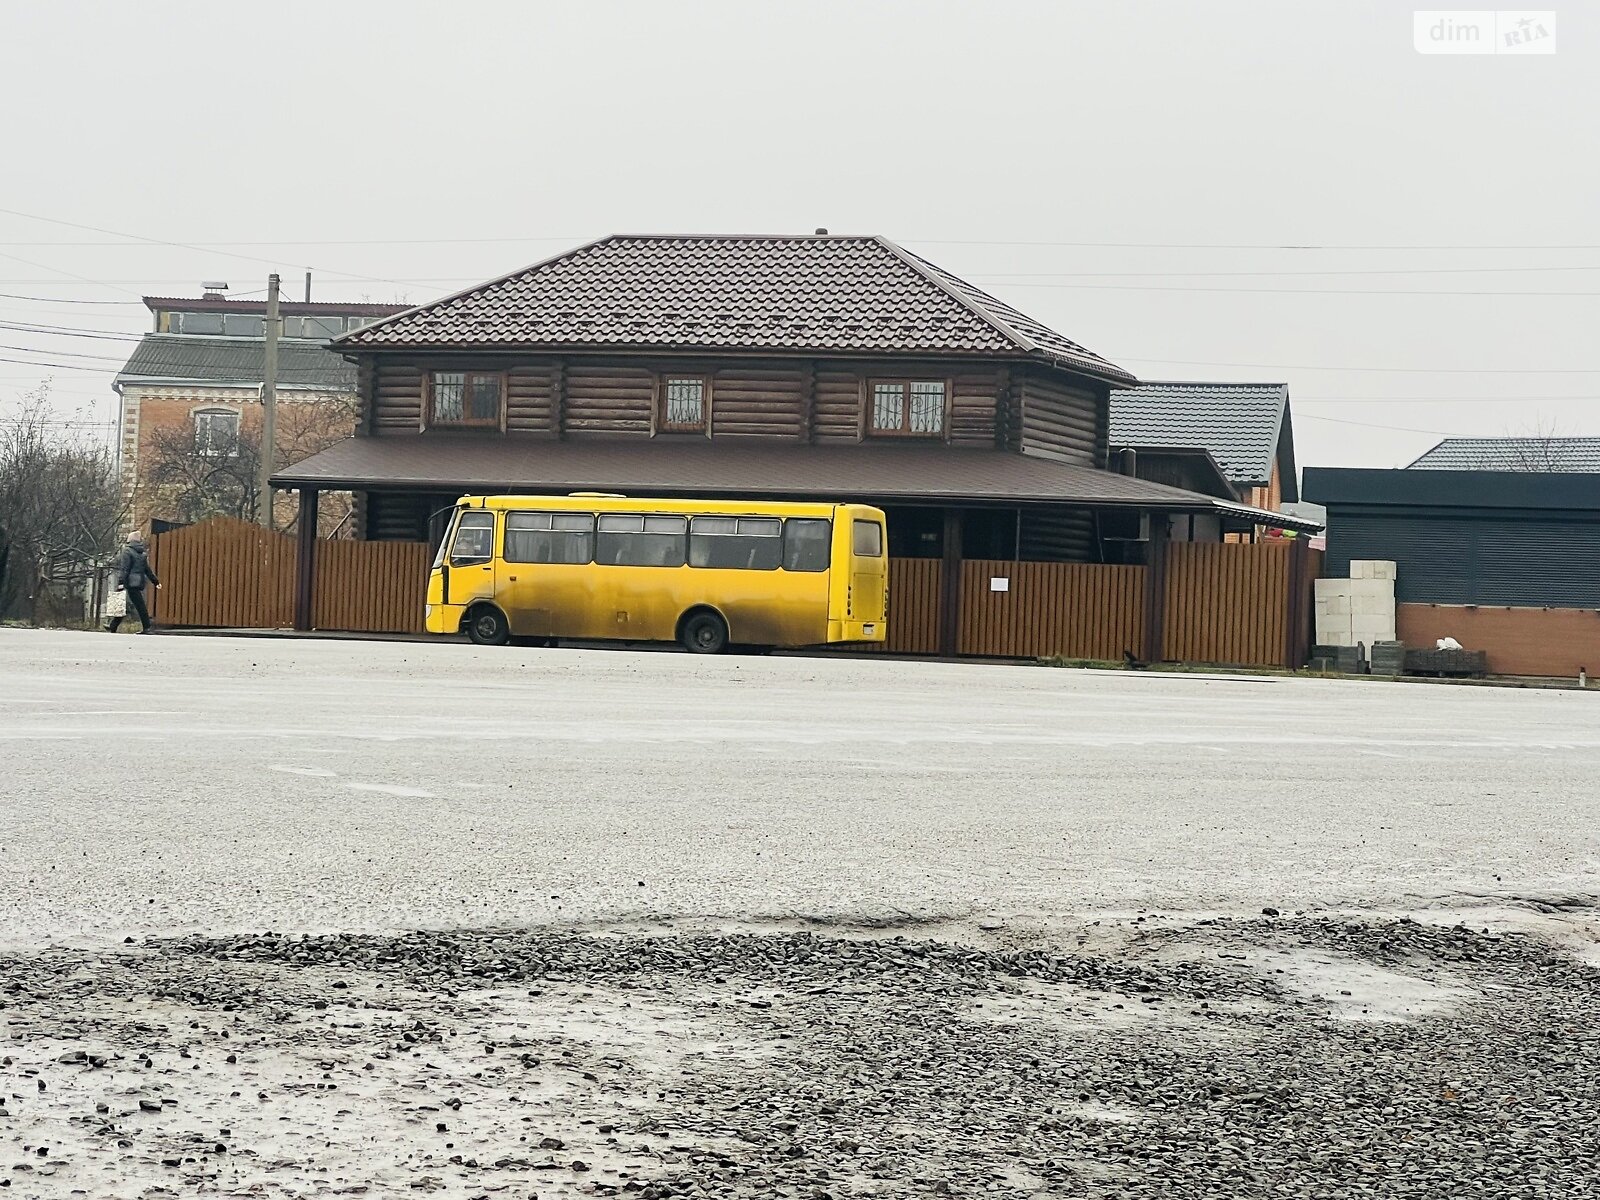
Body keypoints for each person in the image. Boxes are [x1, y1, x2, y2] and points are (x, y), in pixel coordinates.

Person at [108, 531, 161, 634]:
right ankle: (113, 625)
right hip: (139, 581)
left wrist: (121, 582)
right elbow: (147, 570)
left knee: (127, 604)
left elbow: (125, 569)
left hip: (129, 581)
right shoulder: (142, 553)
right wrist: (155, 581)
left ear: (130, 540)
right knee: (133, 603)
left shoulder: (127, 551)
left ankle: (147, 627)